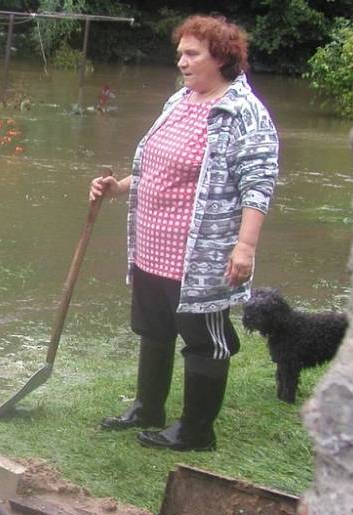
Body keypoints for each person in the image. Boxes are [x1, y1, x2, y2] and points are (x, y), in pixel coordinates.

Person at [89, 15, 278, 451]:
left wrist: (245, 246)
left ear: (222, 58)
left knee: (203, 337)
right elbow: (155, 167)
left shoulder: (243, 112)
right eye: (180, 54)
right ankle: (147, 408)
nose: (182, 62)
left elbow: (258, 183)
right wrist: (117, 188)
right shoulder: (179, 101)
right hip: (154, 245)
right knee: (154, 328)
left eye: (192, 54)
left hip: (202, 255)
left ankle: (196, 430)